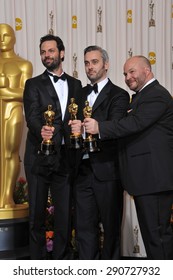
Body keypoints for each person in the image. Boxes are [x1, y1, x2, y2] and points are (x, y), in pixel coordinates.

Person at [81, 55, 173, 259]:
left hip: (154, 180)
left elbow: (134, 124)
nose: (127, 77)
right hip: (146, 181)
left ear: (147, 71)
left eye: (132, 71)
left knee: (158, 236)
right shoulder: (141, 96)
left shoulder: (156, 95)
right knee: (152, 237)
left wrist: (99, 127)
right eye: (124, 73)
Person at [23, 34, 82, 259]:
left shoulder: (76, 85)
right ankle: (38, 263)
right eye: (43, 52)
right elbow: (32, 116)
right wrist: (41, 131)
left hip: (65, 158)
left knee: (64, 214)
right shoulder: (32, 84)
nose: (46, 55)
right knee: (36, 216)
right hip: (38, 157)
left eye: (50, 50)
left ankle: (62, 261)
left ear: (62, 53)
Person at [69, 45, 129, 259]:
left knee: (111, 229)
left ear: (106, 64)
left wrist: (93, 128)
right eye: (86, 63)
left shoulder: (119, 95)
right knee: (84, 228)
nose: (90, 67)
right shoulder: (79, 94)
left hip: (107, 170)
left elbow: (117, 126)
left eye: (94, 62)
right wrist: (74, 130)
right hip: (82, 170)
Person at [0, 23, 33, 209]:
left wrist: (4, 90)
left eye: (5, 35)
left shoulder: (23, 64)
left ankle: (7, 196)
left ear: (13, 38)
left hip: (12, 111)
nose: (2, 40)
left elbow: (25, 93)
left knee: (9, 153)